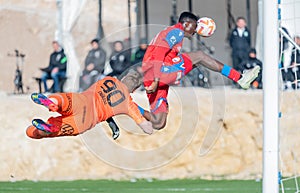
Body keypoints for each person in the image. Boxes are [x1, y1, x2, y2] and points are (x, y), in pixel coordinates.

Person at [127, 11, 260, 130]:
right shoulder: (176, 31)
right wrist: (156, 79)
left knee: (158, 123)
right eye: (195, 26)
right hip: (158, 73)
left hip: (158, 76)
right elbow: (158, 55)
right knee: (200, 56)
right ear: (186, 24)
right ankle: (239, 78)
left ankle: (128, 106)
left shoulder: (173, 33)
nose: (196, 30)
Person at [26, 73, 153, 139]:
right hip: (85, 121)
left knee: (62, 101)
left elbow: (104, 103)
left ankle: (51, 102)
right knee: (53, 130)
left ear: (123, 78)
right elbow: (145, 126)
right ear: (134, 90)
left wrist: (112, 123)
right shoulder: (128, 104)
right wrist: (148, 126)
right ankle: (44, 130)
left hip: (81, 101)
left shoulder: (108, 80)